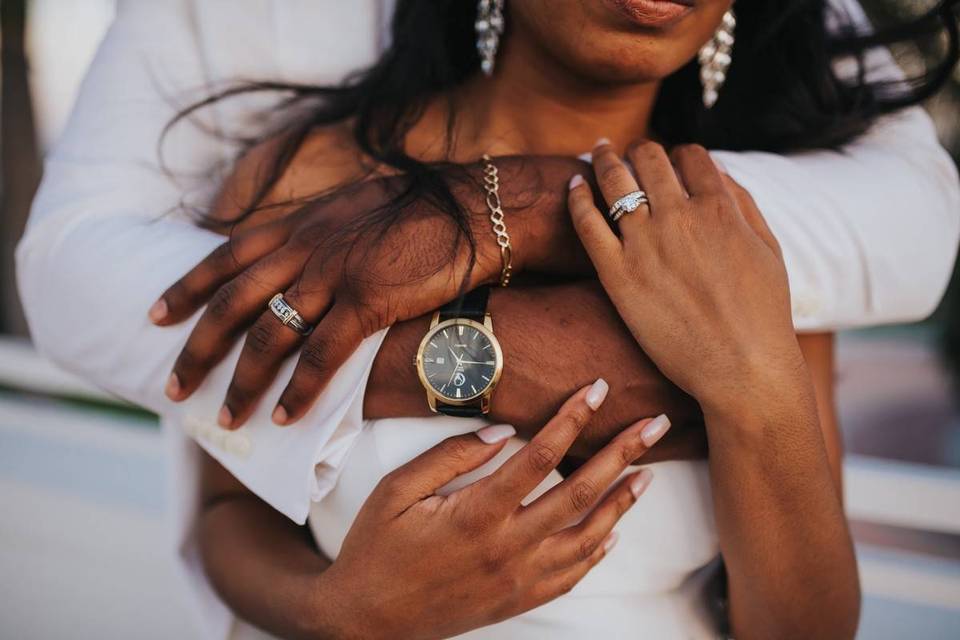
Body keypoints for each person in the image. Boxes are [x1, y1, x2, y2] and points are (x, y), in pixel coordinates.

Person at [15, 0, 959, 637]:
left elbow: (808, 621)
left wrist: (750, 395)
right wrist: (342, 610)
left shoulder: (734, 230)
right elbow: (227, 511)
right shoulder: (310, 186)